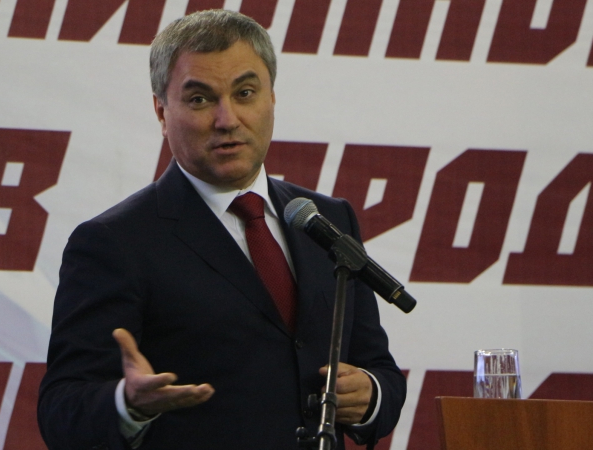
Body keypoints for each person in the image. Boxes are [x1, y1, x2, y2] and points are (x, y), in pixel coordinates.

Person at [38, 9, 406, 450]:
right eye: (199, 99)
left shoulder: (328, 220)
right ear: (161, 111)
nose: (227, 119)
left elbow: (378, 369)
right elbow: (62, 410)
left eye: (245, 93)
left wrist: (370, 396)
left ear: (272, 98)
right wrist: (128, 404)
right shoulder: (113, 243)